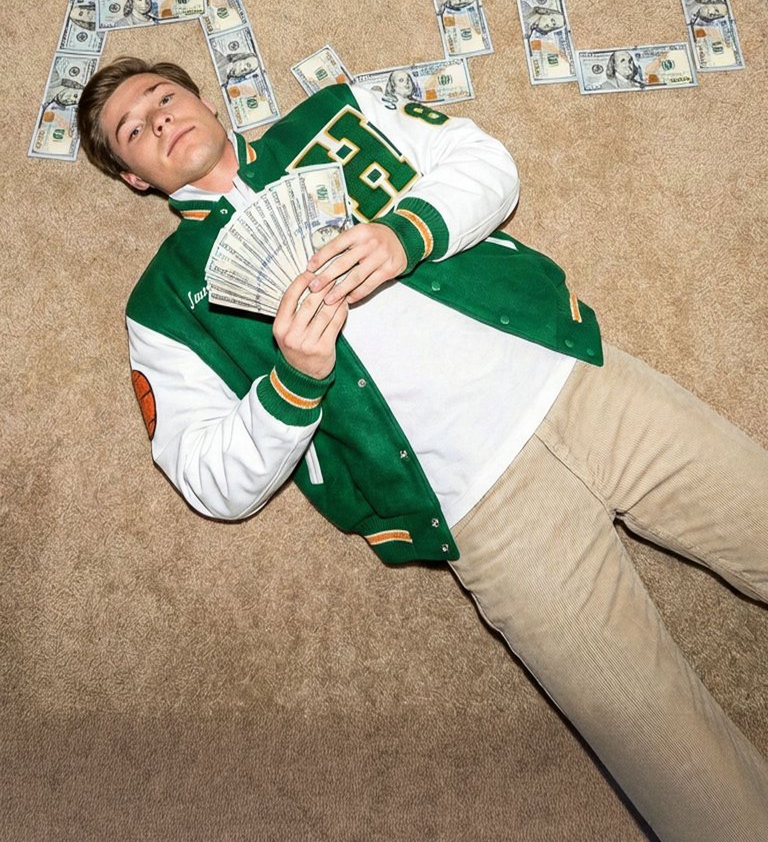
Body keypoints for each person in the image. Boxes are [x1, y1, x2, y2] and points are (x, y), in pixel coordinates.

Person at [76, 56, 768, 842]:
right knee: (681, 771)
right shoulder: (161, 306)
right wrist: (292, 384)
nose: (160, 119)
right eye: (134, 129)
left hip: (584, 390)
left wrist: (407, 234)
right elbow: (209, 480)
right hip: (485, 521)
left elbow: (487, 163)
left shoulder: (334, 116)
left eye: (164, 97)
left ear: (201, 97)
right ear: (132, 177)